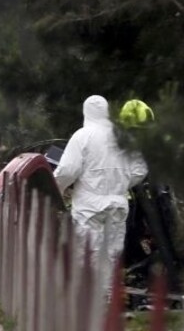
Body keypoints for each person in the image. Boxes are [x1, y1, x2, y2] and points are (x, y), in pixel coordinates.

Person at [53, 95, 148, 289]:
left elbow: (68, 170)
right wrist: (120, 183)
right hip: (117, 204)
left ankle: (90, 305)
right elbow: (141, 169)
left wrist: (57, 189)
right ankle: (108, 303)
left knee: (88, 254)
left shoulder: (82, 136)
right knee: (111, 255)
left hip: (89, 207)